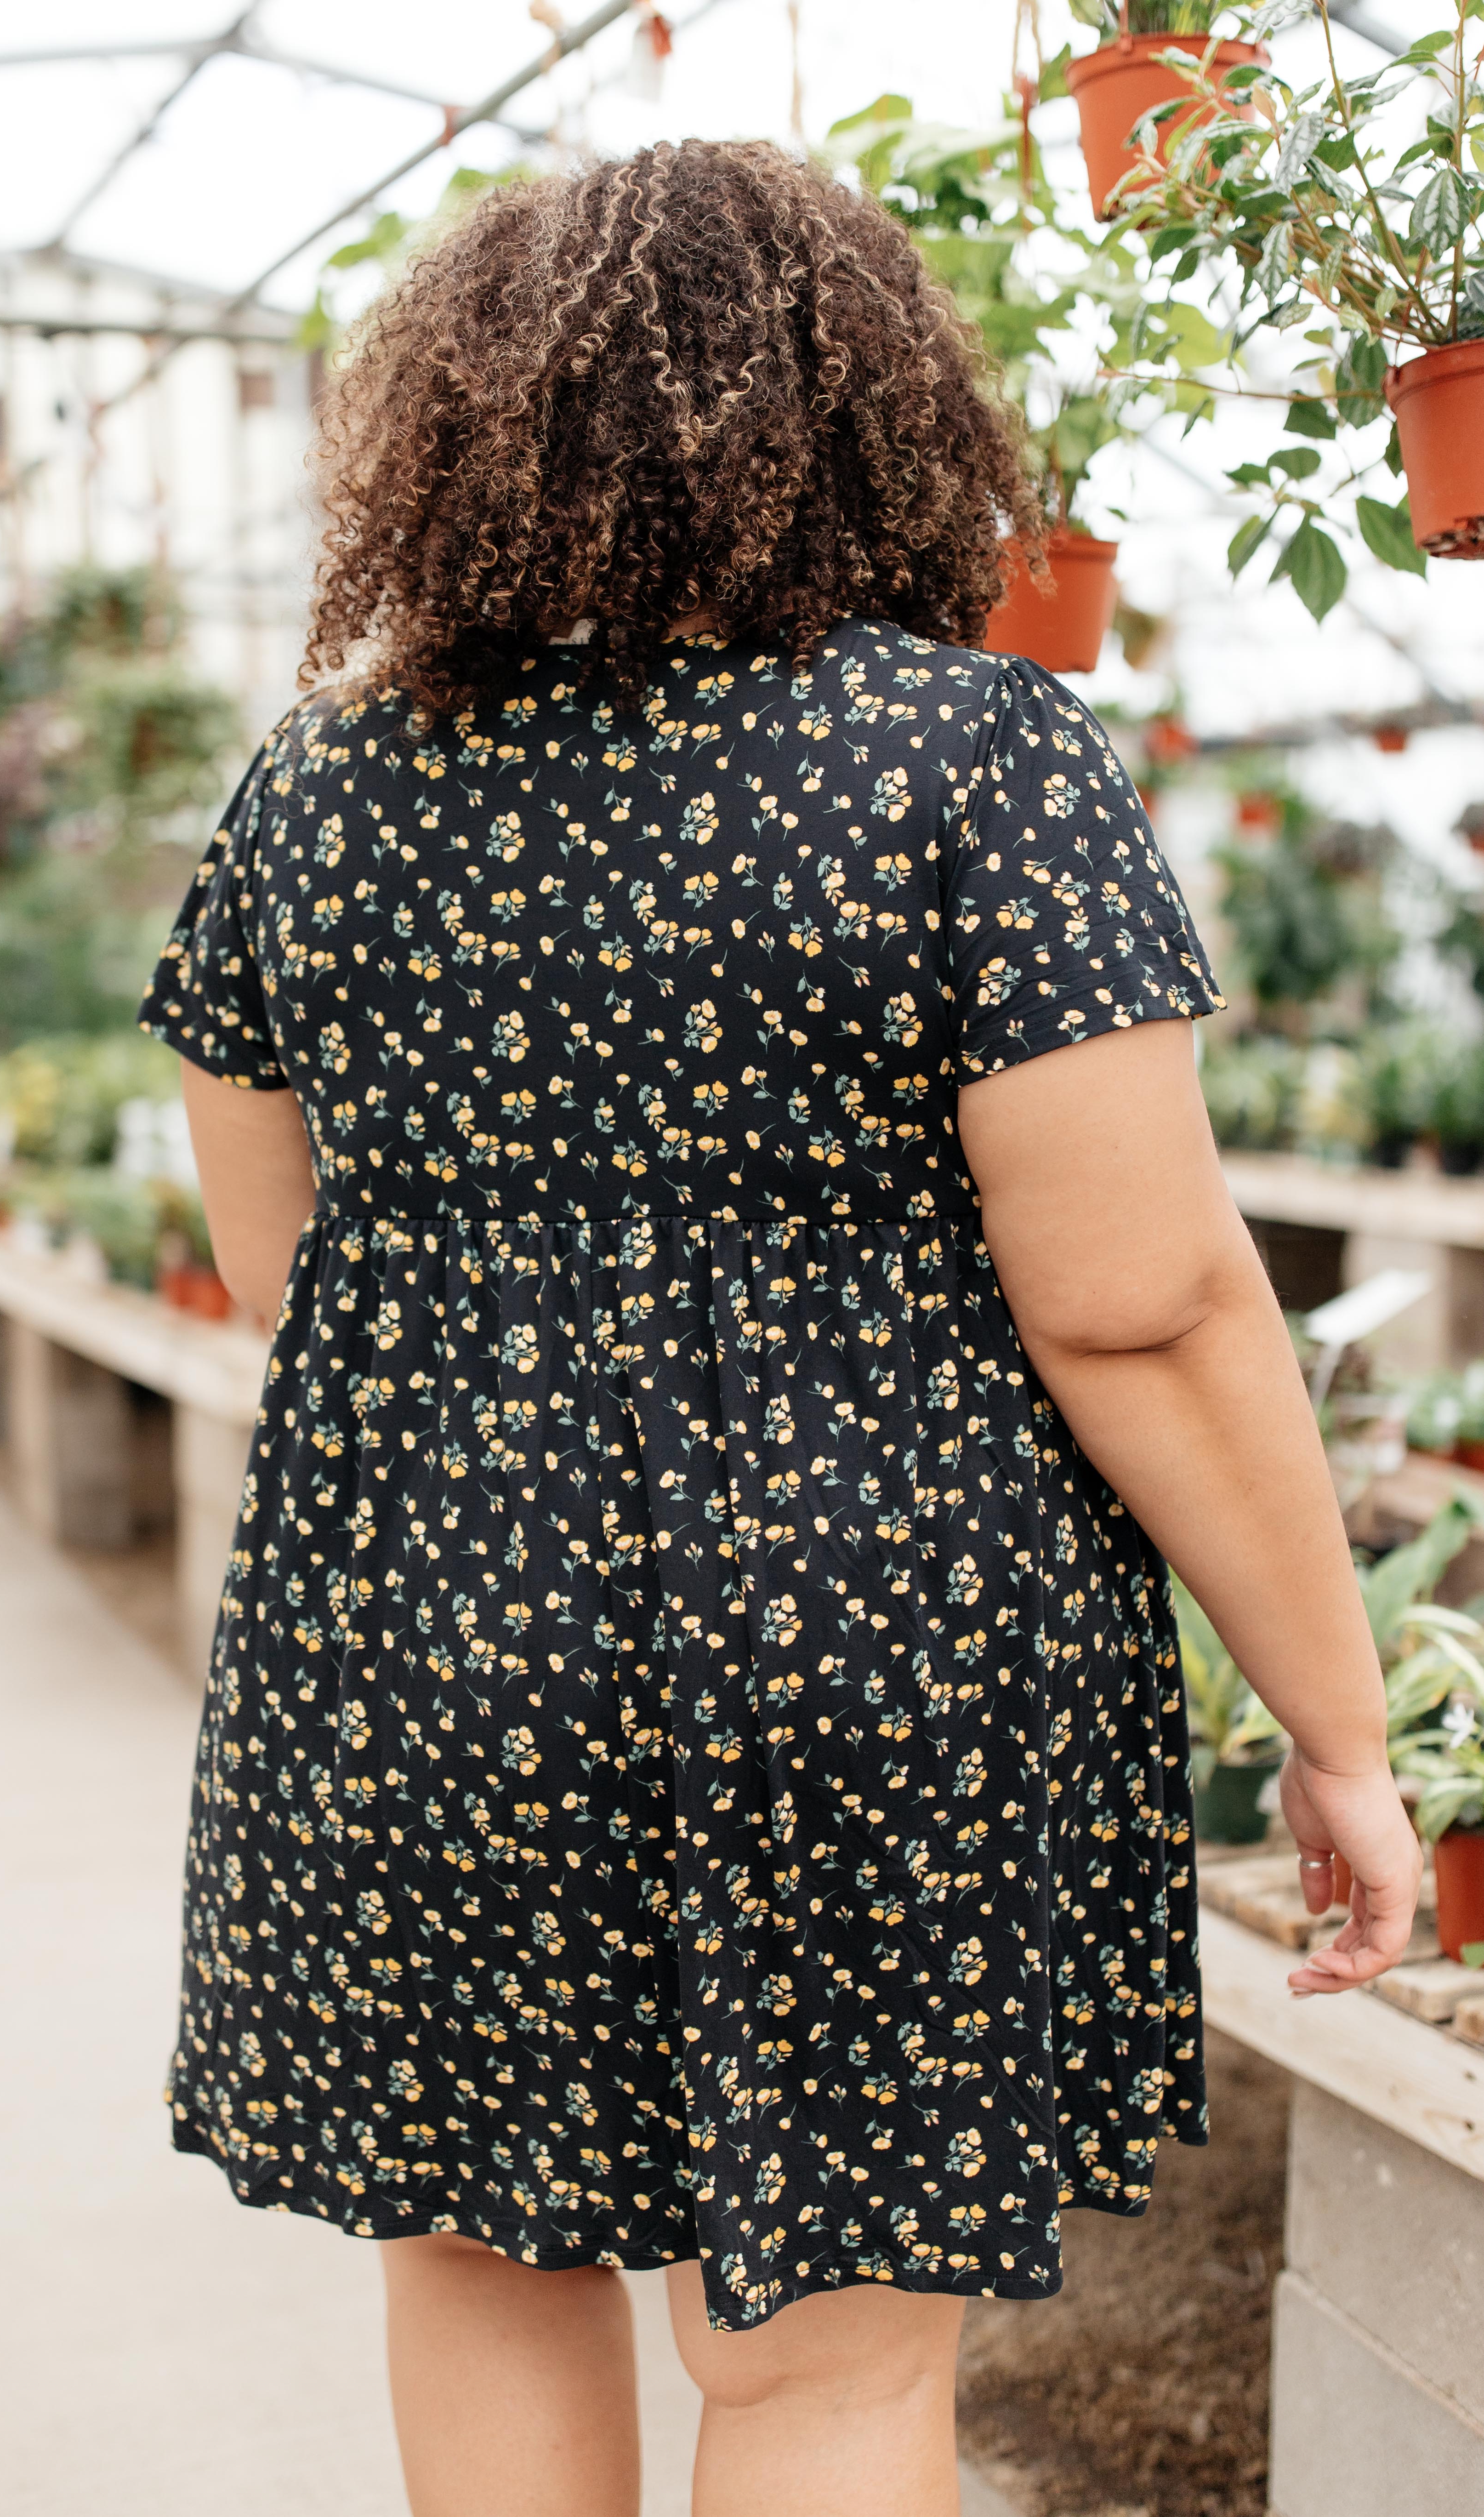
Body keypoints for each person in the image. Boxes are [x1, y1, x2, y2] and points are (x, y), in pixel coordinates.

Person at [140, 138, 1420, 2517]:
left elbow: (306, 1282)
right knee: (815, 2376)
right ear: (875, 415)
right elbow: (1136, 1307)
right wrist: (1336, 1728)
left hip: (425, 1646)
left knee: (479, 2261)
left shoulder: (320, 792)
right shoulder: (973, 761)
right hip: (869, 1648)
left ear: (456, 435)